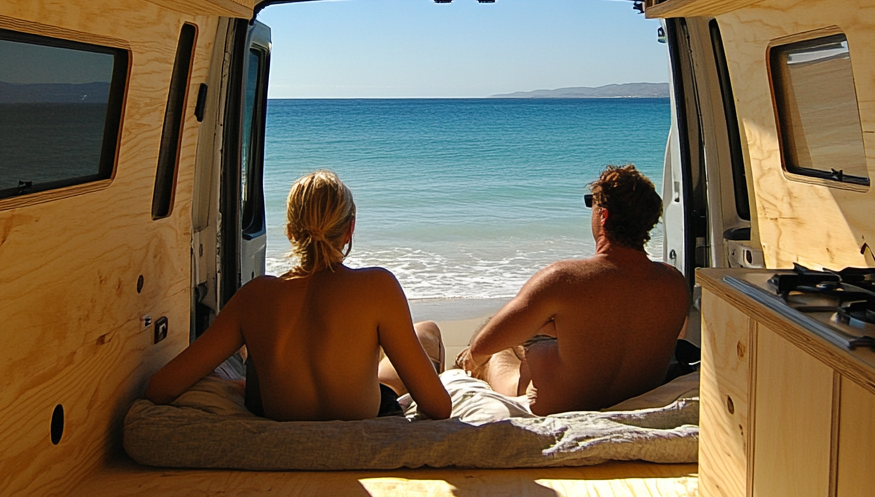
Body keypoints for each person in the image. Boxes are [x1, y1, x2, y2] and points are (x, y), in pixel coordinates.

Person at [146, 170, 451, 421]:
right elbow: (438, 408)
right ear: (349, 230)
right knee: (427, 332)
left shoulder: (254, 297)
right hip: (363, 416)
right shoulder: (378, 287)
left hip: (281, 414)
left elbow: (162, 389)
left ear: (290, 231)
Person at [454, 163, 689, 414]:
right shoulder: (674, 282)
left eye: (593, 203)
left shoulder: (564, 279)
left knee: (493, 348)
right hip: (631, 395)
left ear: (604, 215)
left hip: (556, 403)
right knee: (541, 331)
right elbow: (633, 331)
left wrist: (474, 357)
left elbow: (483, 346)